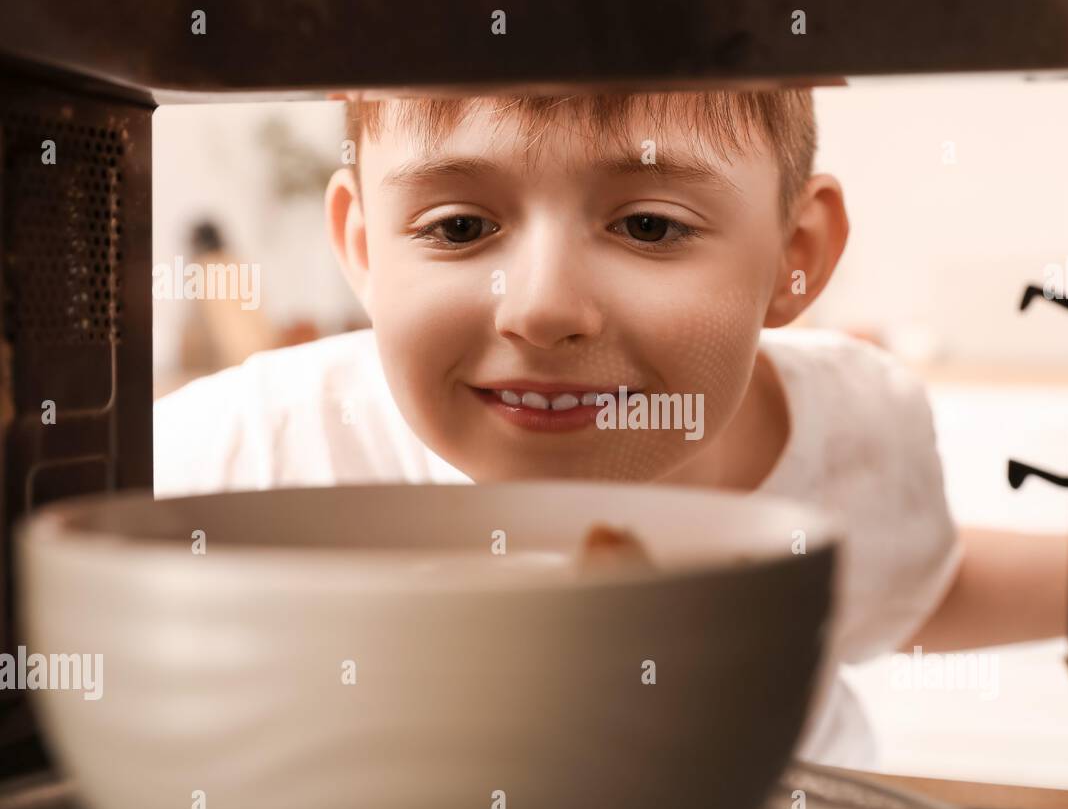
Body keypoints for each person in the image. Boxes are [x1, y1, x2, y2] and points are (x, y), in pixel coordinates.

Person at [154, 90, 968, 769]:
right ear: (363, 247)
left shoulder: (855, 431)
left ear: (796, 255)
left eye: (648, 225)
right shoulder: (239, 453)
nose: (541, 308)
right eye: (459, 228)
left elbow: (906, 585)